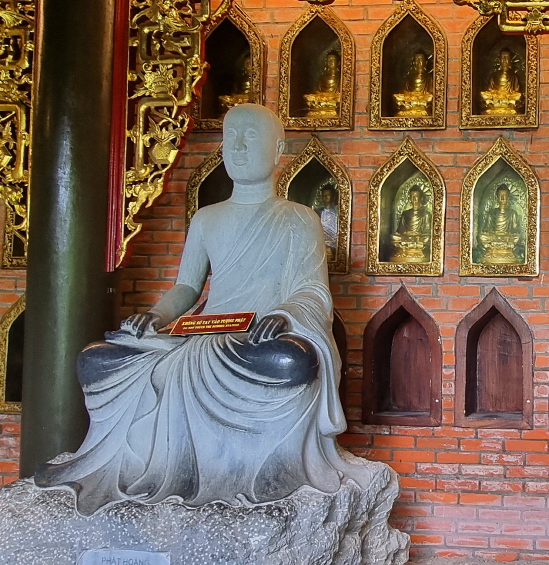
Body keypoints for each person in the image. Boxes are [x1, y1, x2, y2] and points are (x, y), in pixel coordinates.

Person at [36, 104, 366, 515]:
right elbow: (187, 287)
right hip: (203, 332)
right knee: (96, 359)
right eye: (231, 138)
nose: (238, 147)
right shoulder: (207, 219)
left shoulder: (298, 219)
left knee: (291, 363)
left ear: (278, 149)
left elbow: (311, 289)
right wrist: (157, 316)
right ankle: (136, 465)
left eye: (251, 137)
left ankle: (266, 472)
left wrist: (284, 315)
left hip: (256, 339)